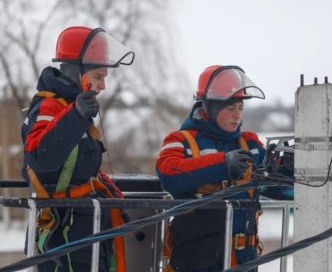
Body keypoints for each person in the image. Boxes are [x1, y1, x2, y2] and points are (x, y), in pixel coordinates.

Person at [21, 26, 134, 272]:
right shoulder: (51, 107)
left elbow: (79, 167)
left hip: (86, 223)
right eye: (98, 77)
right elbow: (41, 158)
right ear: (77, 73)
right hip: (64, 229)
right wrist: (75, 116)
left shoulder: (74, 106)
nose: (103, 85)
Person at [156, 65, 268, 271]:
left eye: (240, 109)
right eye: (230, 109)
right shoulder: (182, 140)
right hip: (195, 260)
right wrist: (223, 164)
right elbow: (169, 173)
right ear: (210, 108)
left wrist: (287, 168)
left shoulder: (250, 144)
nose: (237, 115)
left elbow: (274, 185)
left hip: (245, 259)